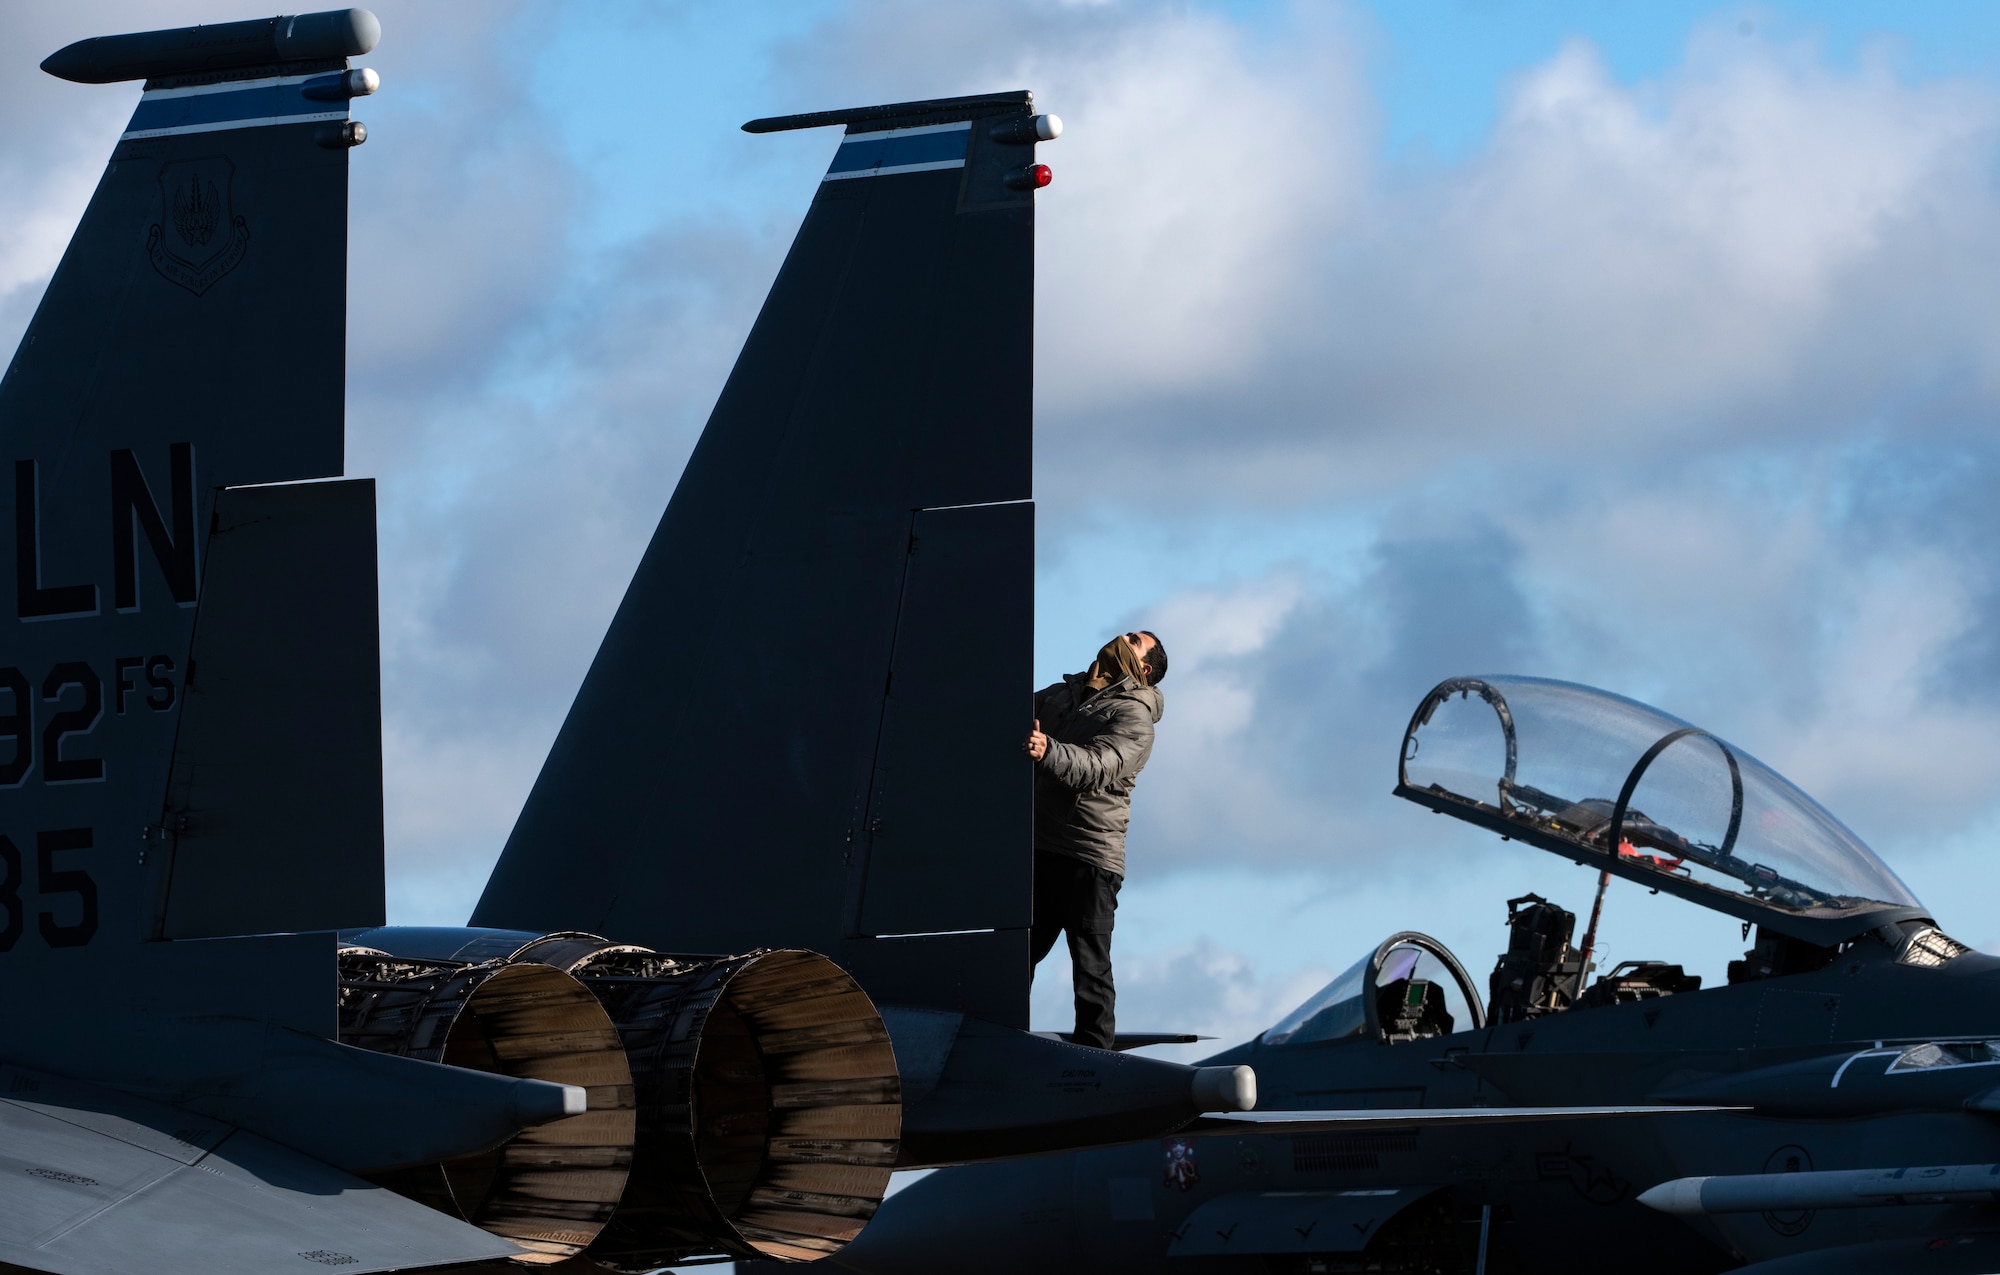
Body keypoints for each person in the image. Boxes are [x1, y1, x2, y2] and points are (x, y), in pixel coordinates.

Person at [1022, 630, 1167, 1050]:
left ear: (1143, 669)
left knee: (1090, 966)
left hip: (1091, 856)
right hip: (1041, 846)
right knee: (1014, 959)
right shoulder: (1060, 695)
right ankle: (1000, 1038)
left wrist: (1048, 749)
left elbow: (1100, 766)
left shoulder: (1135, 716)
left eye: (1135, 641)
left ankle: (1095, 1059)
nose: (1122, 636)